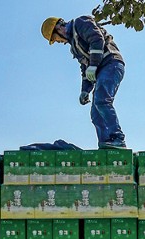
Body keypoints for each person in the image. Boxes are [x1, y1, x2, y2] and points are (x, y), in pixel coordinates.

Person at [41, 16, 127, 149]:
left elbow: (97, 39)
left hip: (111, 63)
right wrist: (85, 90)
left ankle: (117, 139)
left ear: (58, 28)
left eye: (55, 38)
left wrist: (93, 64)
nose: (58, 42)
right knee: (95, 114)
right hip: (101, 70)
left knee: (102, 101)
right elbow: (85, 69)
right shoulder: (74, 46)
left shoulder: (81, 23)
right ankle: (107, 145)